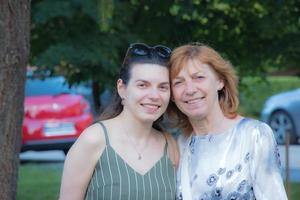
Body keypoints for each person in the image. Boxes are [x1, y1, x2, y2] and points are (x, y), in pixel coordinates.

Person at [168, 43, 288, 200]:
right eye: (178, 82)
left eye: (199, 77)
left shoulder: (254, 135)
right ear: (171, 94)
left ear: (220, 81)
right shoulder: (178, 145)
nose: (189, 90)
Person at [59, 43, 179, 200]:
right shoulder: (94, 139)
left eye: (163, 87)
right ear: (122, 88)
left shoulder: (170, 146)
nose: (154, 95)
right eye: (143, 85)